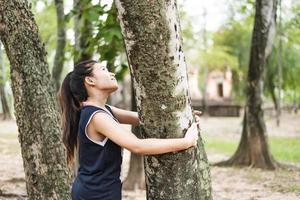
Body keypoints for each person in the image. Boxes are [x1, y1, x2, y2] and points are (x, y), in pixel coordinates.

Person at [59, 60, 201, 200]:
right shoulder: (96, 117)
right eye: (103, 69)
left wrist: (183, 117)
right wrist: (186, 142)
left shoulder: (104, 110)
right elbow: (137, 146)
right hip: (95, 193)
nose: (112, 73)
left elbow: (145, 120)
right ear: (90, 80)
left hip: (100, 191)